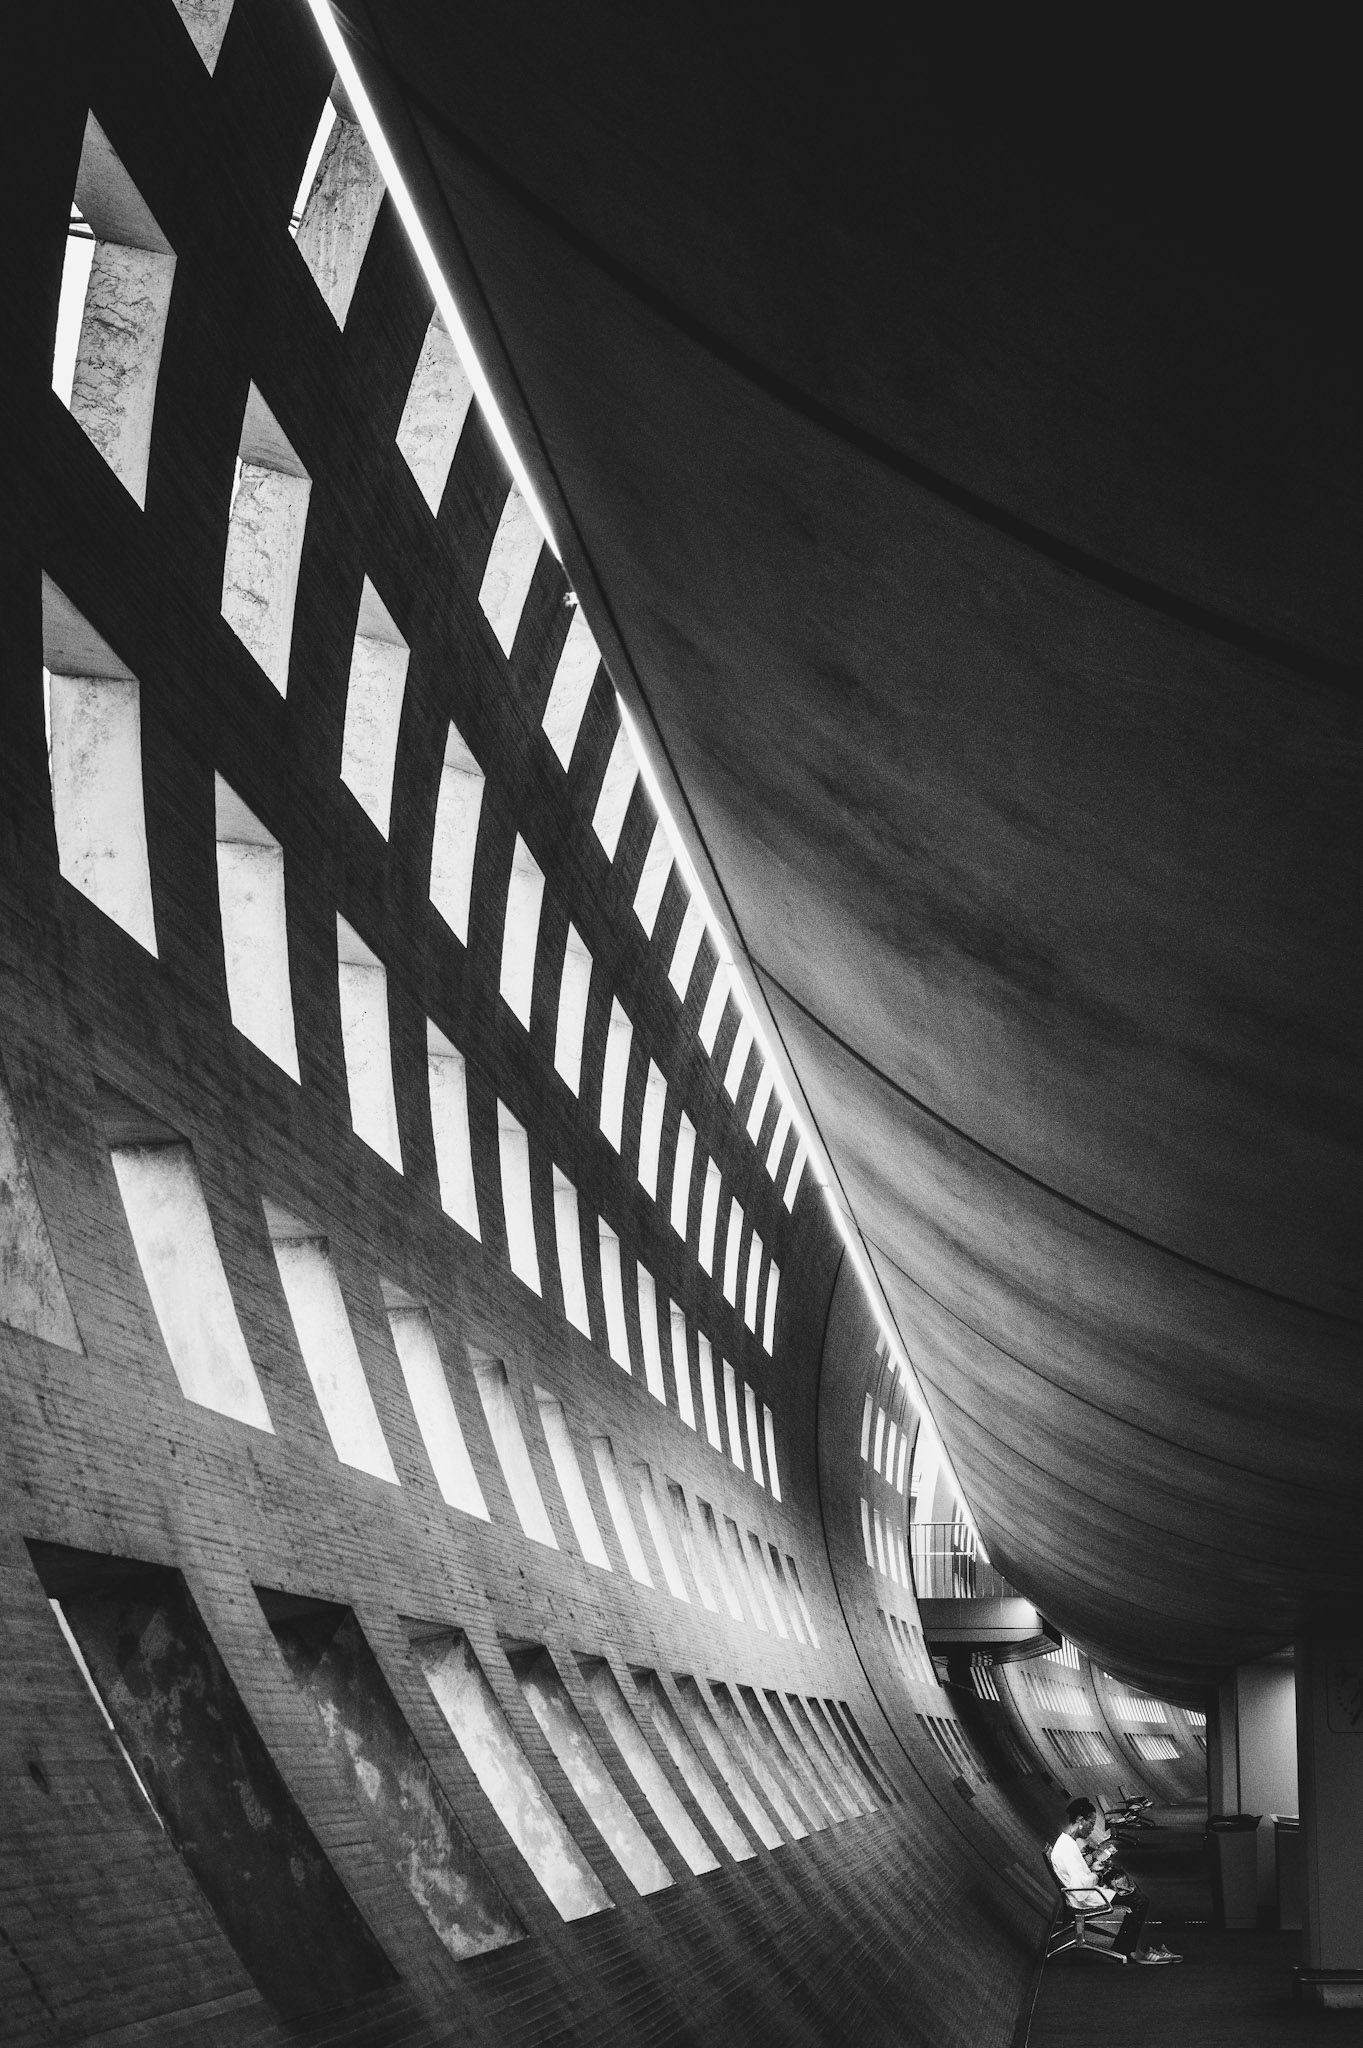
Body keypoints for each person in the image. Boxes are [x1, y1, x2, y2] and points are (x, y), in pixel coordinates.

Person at [1048, 1798, 1181, 1964]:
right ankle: (1127, 1950)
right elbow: (1080, 1888)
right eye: (1091, 1823)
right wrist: (1096, 1874)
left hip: (1084, 1893)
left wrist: (1091, 1867)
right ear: (1080, 1821)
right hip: (1085, 1897)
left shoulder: (1066, 1843)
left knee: (1134, 1893)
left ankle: (1126, 1947)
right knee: (1139, 1901)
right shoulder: (1068, 1849)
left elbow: (1078, 1876)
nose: (1092, 1828)